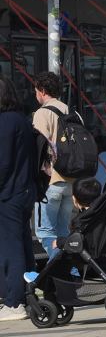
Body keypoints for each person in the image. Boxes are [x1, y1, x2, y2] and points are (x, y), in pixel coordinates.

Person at [0, 76, 35, 321]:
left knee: (11, 247)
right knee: (23, 245)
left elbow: (3, 162)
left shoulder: (5, 122)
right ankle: (30, 293)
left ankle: (14, 303)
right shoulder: (21, 119)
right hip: (25, 191)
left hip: (9, 193)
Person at [32, 71, 76, 260]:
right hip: (70, 180)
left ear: (42, 91)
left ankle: (64, 276)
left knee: (45, 234)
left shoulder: (43, 113)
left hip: (50, 181)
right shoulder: (70, 111)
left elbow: (38, 148)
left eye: (36, 91)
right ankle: (68, 277)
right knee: (63, 234)